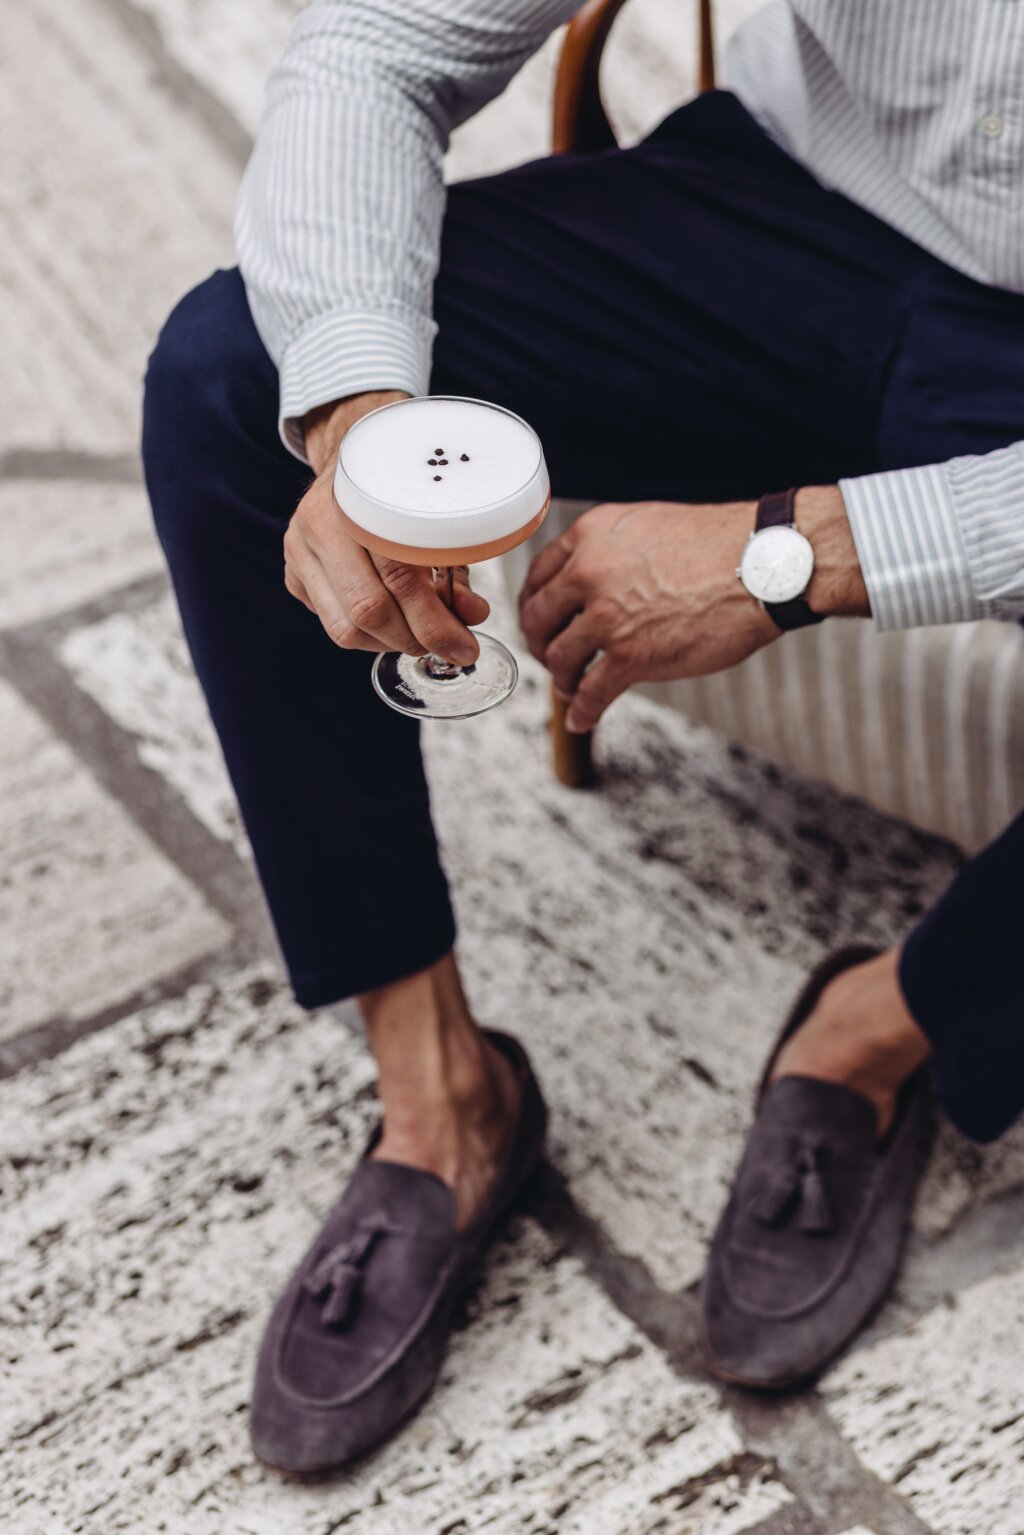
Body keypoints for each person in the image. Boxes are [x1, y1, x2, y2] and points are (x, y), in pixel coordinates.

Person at [142, 0, 1024, 1473]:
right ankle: (444, 1097)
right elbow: (378, 44)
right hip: (790, 211)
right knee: (229, 376)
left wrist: (788, 554)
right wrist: (365, 431)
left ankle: (882, 1028)